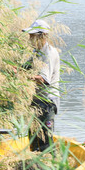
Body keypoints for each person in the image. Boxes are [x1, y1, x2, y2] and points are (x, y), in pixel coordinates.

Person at [22, 19, 60, 152]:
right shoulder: (36, 52)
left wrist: (21, 76)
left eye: (32, 36)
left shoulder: (49, 53)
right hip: (36, 101)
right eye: (30, 36)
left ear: (42, 36)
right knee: (33, 139)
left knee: (45, 142)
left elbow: (43, 79)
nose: (30, 38)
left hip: (46, 102)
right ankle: (35, 168)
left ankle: (49, 168)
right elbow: (25, 68)